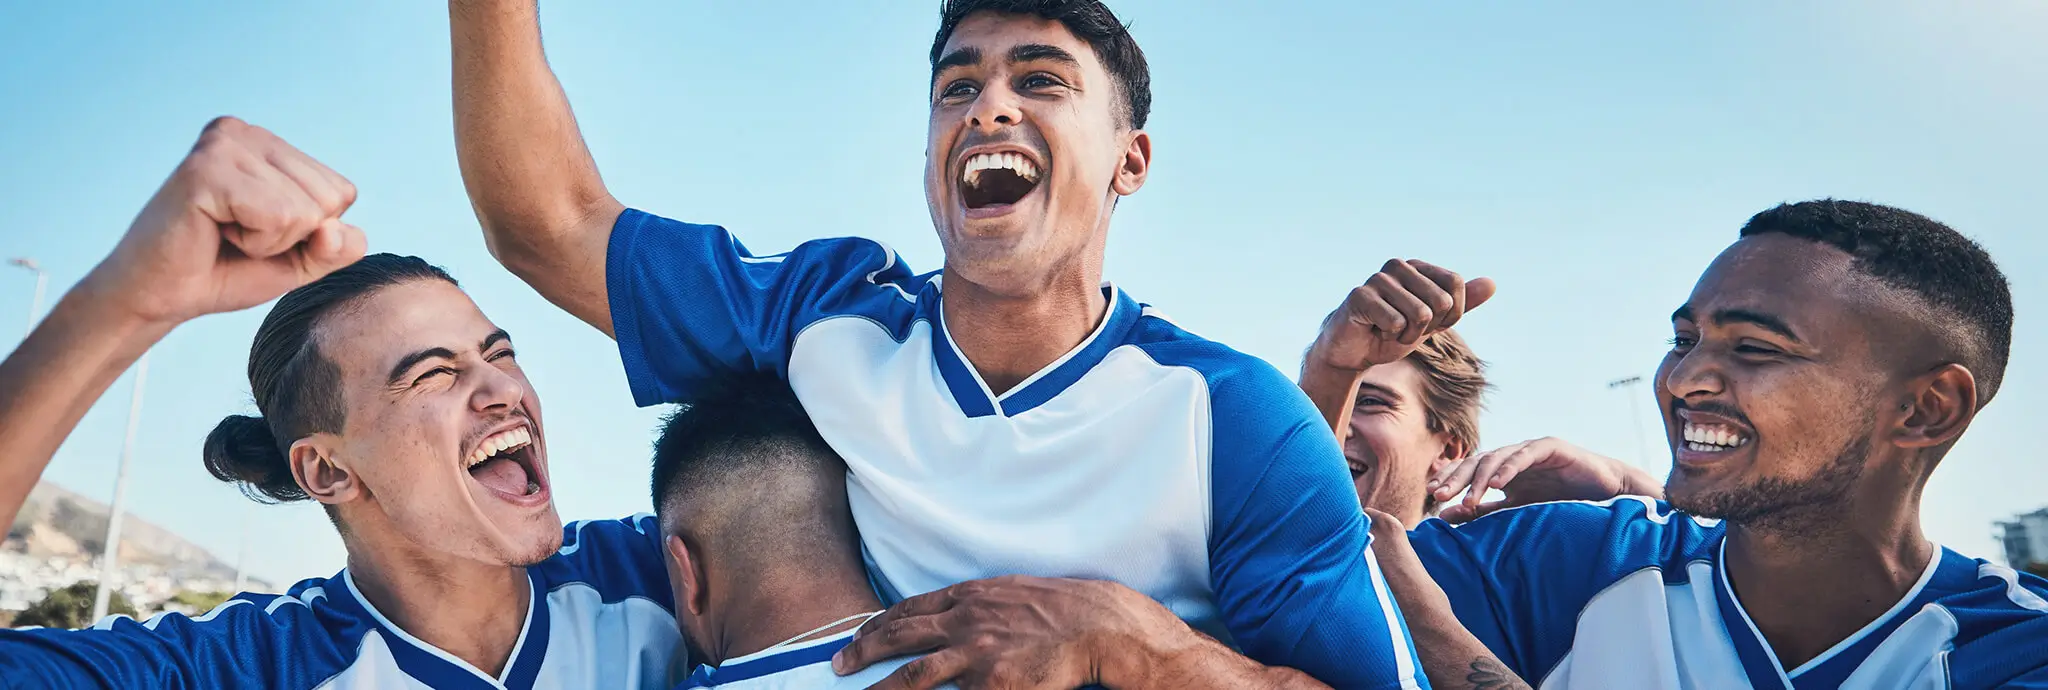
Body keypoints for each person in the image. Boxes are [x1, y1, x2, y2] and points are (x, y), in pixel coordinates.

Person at [450, 0, 1430, 686]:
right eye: (955, 88)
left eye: (1039, 81)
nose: (986, 107)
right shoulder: (826, 316)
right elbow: (549, 225)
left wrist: (1130, 646)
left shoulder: (1233, 418)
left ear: (1130, 159)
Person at [0, 118, 679, 689]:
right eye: (433, 375)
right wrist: (125, 304)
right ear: (327, 471)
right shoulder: (246, 667)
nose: (505, 390)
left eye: (499, 355)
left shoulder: (672, 571)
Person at [1327, 200, 2048, 689]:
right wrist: (1333, 367)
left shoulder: (2018, 646)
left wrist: (1449, 651)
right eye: (1684, 339)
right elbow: (1281, 566)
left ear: (1925, 409)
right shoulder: (1580, 557)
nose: (1684, 378)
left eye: (1756, 347)